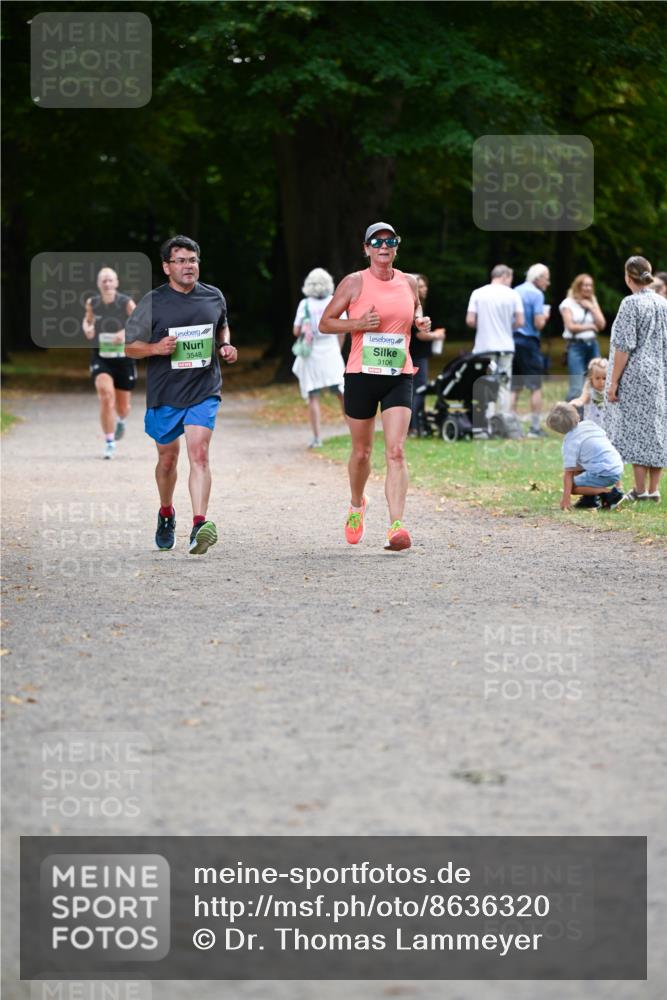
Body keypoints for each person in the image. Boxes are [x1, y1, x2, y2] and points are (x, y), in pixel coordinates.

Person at [319, 222, 430, 551]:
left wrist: (420, 320)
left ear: (397, 246)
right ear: (366, 248)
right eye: (377, 242)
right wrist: (358, 323)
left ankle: (396, 527)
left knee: (396, 451)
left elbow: (415, 307)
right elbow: (325, 323)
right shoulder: (354, 282)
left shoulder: (409, 282)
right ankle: (357, 505)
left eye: (389, 241)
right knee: (362, 452)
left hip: (399, 374)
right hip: (361, 375)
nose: (384, 247)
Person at [125, 235, 238, 554]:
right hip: (165, 392)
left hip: (204, 388)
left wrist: (225, 345)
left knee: (199, 454)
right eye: (180, 261)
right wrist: (155, 348)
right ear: (167, 267)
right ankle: (166, 513)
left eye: (193, 260)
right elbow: (129, 347)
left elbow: (221, 326)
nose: (188, 266)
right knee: (167, 460)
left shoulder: (213, 296)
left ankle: (199, 525)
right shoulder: (153, 302)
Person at [605, 255, 667, 506]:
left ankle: (640, 489)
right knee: (657, 429)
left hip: (636, 375)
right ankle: (654, 489)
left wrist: (613, 382)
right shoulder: (662, 303)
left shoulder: (630, 304)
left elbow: (624, 346)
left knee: (637, 431)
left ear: (628, 277)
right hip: (660, 373)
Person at [83, 267, 137, 459]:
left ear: (116, 283)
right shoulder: (93, 303)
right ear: (98, 284)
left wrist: (124, 333)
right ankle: (109, 442)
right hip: (101, 357)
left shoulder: (126, 302)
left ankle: (121, 419)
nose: (107, 283)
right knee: (106, 396)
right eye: (103, 280)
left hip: (123, 359)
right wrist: (88, 328)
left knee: (123, 408)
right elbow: (88, 321)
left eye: (110, 280)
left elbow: (140, 323)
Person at [292, 268, 345, 448]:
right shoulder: (334, 301)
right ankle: (353, 431)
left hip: (312, 352)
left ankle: (317, 437)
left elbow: (296, 330)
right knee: (341, 392)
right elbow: (342, 330)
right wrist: (337, 349)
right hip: (331, 350)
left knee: (313, 395)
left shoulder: (305, 304)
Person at [465, 265, 524, 413]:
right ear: (504, 276)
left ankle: (488, 417)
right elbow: (520, 321)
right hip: (506, 347)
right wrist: (507, 327)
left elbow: (470, 320)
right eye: (510, 279)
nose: (510, 282)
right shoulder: (513, 294)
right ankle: (502, 418)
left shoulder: (478, 293)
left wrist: (483, 325)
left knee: (486, 382)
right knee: (504, 384)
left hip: (484, 347)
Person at [546, 401, 624, 511]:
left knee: (572, 486)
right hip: (617, 466)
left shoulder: (570, 443)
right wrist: (618, 483)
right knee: (578, 467)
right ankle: (589, 499)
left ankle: (611, 494)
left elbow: (568, 473)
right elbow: (605, 448)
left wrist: (566, 498)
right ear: (577, 415)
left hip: (604, 473)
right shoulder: (589, 424)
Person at [511, 263, 550, 437]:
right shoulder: (537, 294)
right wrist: (545, 316)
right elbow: (538, 323)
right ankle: (535, 428)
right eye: (546, 278)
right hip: (529, 342)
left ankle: (511, 427)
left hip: (512, 342)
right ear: (538, 278)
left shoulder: (515, 291)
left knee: (514, 386)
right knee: (535, 386)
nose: (548, 283)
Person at [408, 274, 446, 436]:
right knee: (419, 389)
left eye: (425, 286)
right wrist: (436, 335)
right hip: (416, 354)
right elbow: (420, 334)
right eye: (421, 286)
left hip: (414, 354)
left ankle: (414, 425)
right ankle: (415, 426)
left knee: (413, 389)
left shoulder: (416, 306)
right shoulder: (414, 307)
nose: (425, 289)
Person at [559, 274, 606, 400]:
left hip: (592, 345)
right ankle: (571, 411)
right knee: (577, 386)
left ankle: (595, 411)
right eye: (585, 285)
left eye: (590, 285)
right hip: (576, 346)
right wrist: (590, 326)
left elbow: (602, 324)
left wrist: (591, 307)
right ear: (578, 286)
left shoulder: (593, 301)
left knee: (597, 383)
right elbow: (570, 326)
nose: (588, 288)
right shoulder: (567, 303)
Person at [570, 357, 609, 428]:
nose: (601, 382)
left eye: (604, 378)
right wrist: (577, 402)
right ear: (591, 378)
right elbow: (582, 399)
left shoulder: (609, 391)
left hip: (605, 427)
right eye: (597, 378)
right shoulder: (590, 392)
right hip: (591, 427)